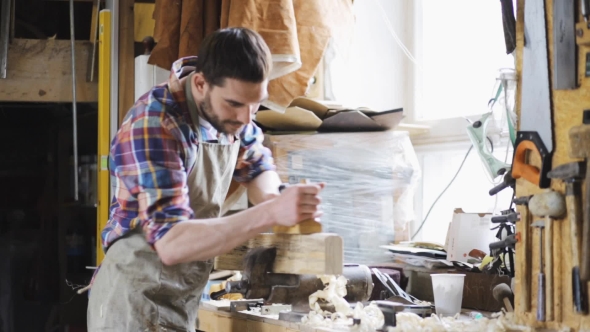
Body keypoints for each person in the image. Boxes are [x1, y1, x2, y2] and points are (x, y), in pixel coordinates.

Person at [87, 27, 324, 331]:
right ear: (200, 83)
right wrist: (270, 213)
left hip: (183, 293)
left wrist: (279, 201)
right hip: (134, 298)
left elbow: (256, 163)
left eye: (256, 104)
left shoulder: (229, 111)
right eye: (236, 104)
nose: (246, 118)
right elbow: (171, 243)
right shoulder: (156, 124)